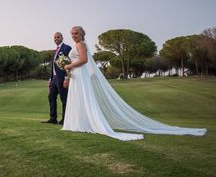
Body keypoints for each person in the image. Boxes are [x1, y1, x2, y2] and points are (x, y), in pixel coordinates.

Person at [62, 26, 207, 141]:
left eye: (76, 33)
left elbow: (84, 60)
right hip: (76, 74)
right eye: (72, 33)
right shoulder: (76, 45)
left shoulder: (81, 44)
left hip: (80, 73)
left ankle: (84, 123)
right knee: (77, 98)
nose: (74, 35)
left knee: (83, 98)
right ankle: (77, 123)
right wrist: (69, 71)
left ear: (81, 34)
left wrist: (69, 66)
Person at [42, 32, 72, 125]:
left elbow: (69, 63)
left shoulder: (67, 48)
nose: (56, 39)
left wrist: (67, 77)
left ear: (62, 38)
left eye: (58, 37)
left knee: (64, 98)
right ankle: (53, 118)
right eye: (55, 37)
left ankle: (65, 119)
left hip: (62, 77)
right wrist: (50, 79)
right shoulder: (56, 50)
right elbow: (54, 66)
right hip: (54, 78)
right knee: (51, 97)